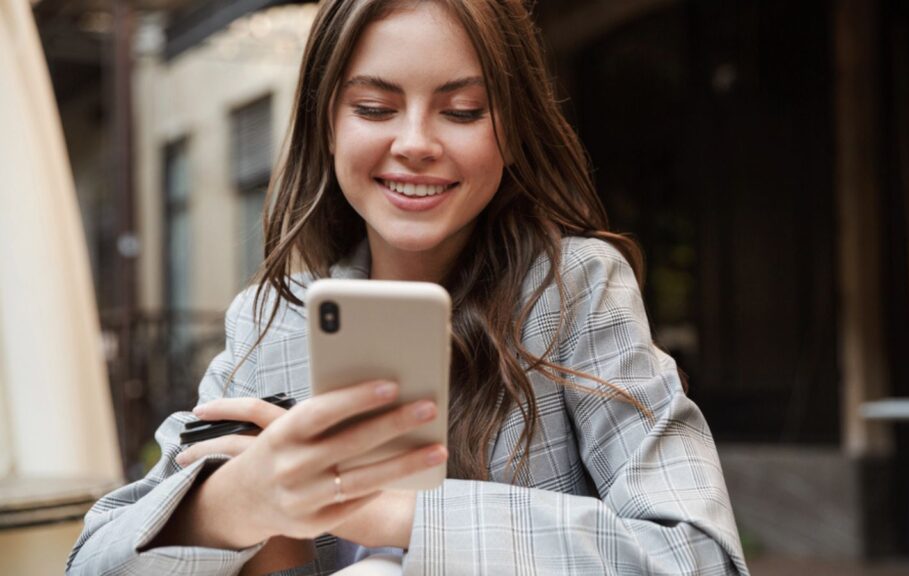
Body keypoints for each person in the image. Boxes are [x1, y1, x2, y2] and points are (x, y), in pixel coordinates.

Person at [67, 0, 750, 574]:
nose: (416, 142)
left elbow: (699, 555)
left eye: (462, 111)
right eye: (374, 107)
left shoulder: (575, 290)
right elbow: (94, 557)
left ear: (510, 132)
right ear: (327, 124)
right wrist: (239, 501)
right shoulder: (271, 321)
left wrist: (387, 511)